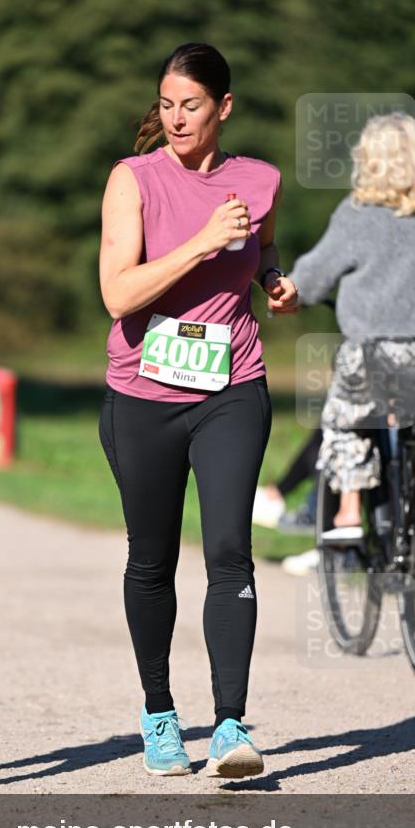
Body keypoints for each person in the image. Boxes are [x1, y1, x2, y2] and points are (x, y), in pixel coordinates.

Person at [98, 43, 298, 779]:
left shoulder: (259, 179)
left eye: (190, 104)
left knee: (227, 552)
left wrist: (274, 278)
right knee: (150, 561)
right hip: (142, 395)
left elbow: (264, 244)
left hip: (231, 388)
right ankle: (158, 716)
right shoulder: (133, 180)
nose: (175, 117)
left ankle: (228, 728)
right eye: (165, 104)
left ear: (223, 107)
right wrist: (203, 241)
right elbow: (118, 296)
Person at [289, 113, 415, 538]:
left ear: (368, 161)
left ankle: (347, 509)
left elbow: (314, 273)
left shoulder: (359, 213)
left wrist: (293, 294)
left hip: (381, 356)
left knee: (346, 415)